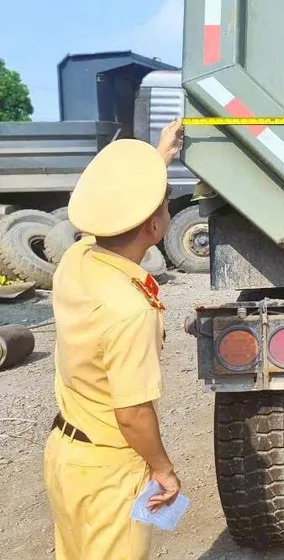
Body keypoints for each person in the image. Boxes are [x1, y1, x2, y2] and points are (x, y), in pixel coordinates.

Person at [43, 120, 185, 559]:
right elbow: (133, 414)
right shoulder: (129, 310)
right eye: (164, 206)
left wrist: (159, 156)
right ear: (154, 229)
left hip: (66, 456)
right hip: (109, 469)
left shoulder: (77, 258)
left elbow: (111, 217)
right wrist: (163, 469)